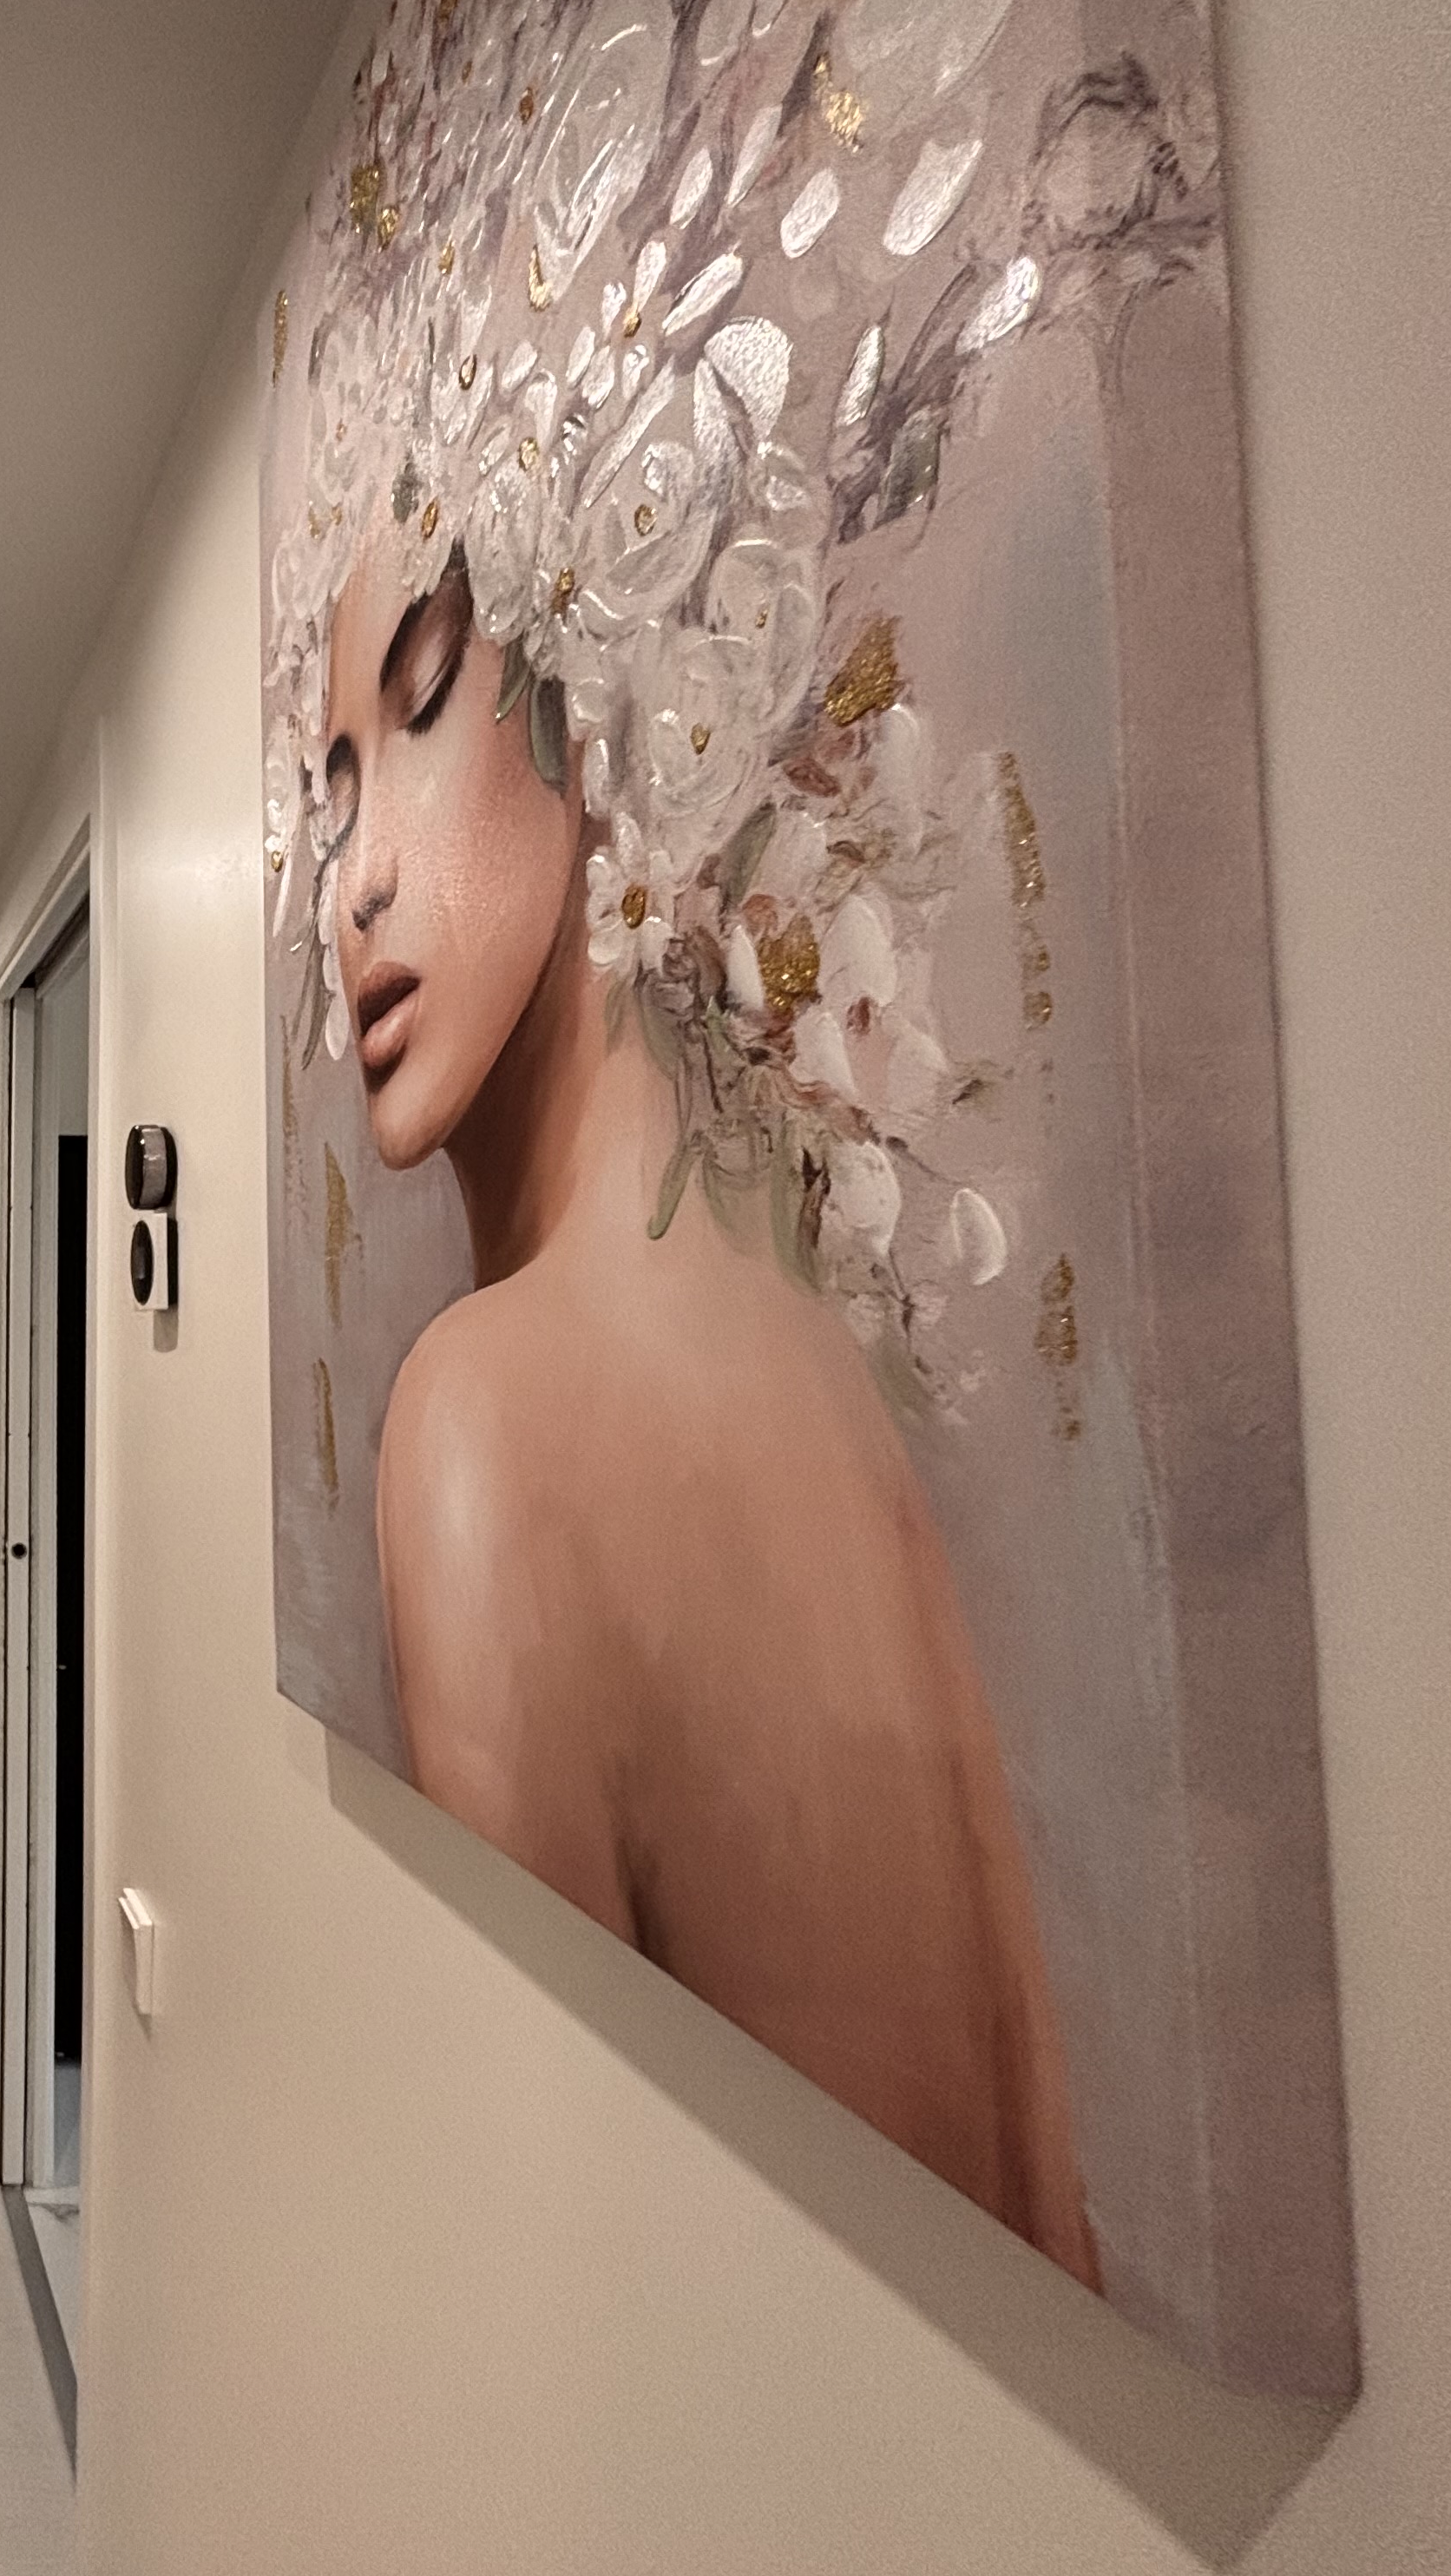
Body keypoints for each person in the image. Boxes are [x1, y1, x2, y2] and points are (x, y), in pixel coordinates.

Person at [318, 536, 1099, 2288]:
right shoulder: (807, 1375)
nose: (352, 886)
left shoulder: (489, 1423)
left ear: (609, 718)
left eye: (424, 712)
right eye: (333, 791)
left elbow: (550, 2287)